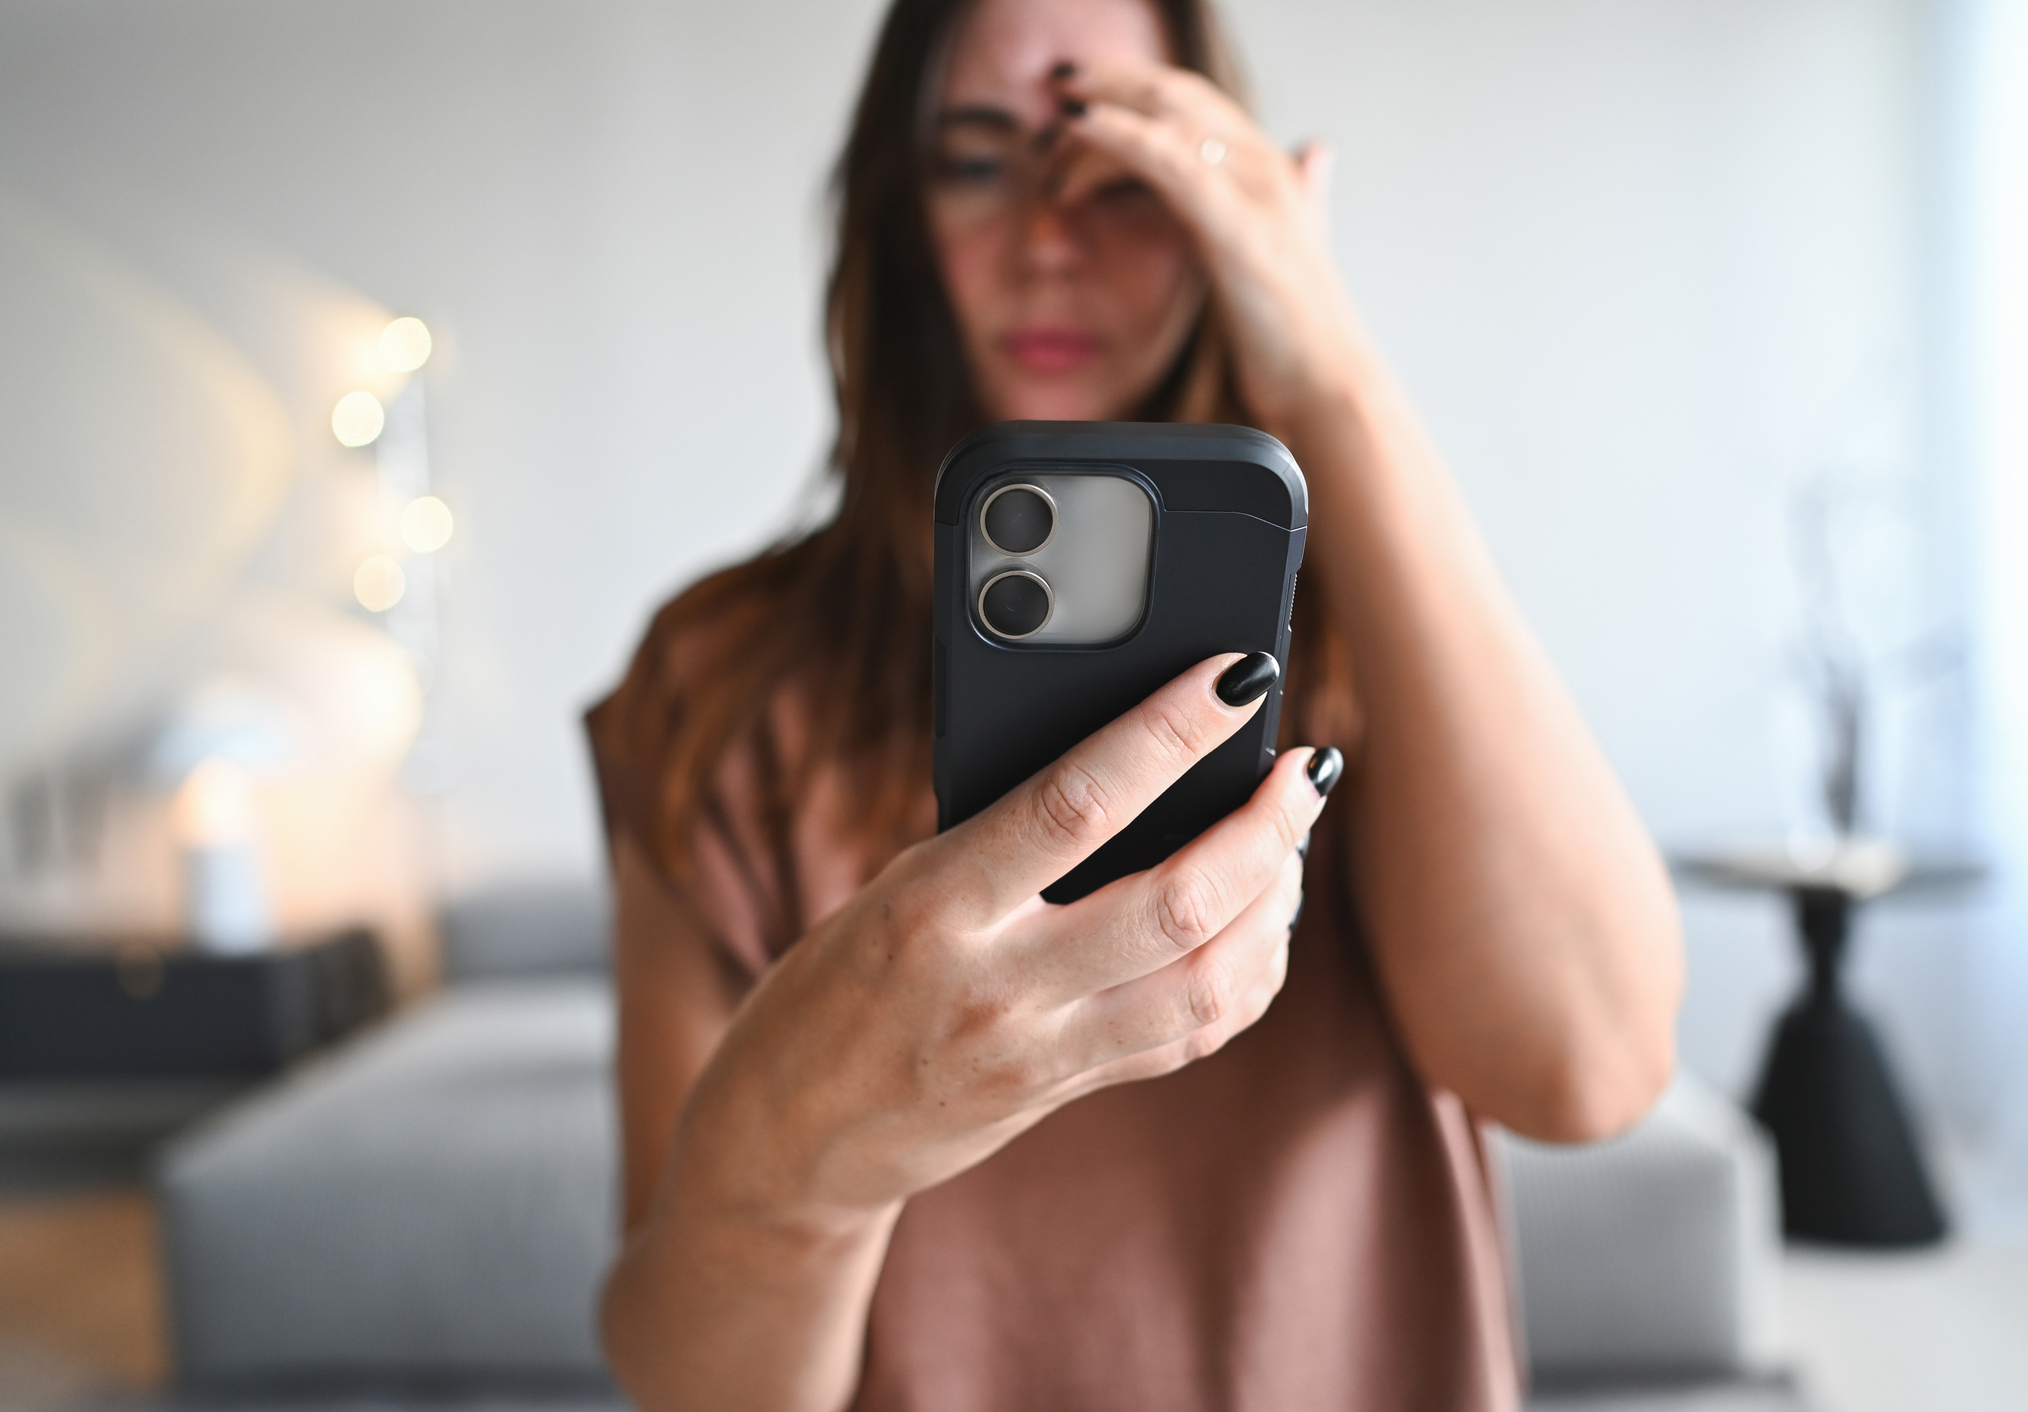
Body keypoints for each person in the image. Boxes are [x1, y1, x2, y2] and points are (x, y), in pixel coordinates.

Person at [586, 0, 1684, 1407]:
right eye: (976, 163)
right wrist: (801, 1157)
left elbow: (1583, 1069)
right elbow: (697, 1388)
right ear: (894, 209)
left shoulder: (1371, 613)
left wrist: (1328, 369)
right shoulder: (720, 681)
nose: (1049, 243)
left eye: (1118, 175)